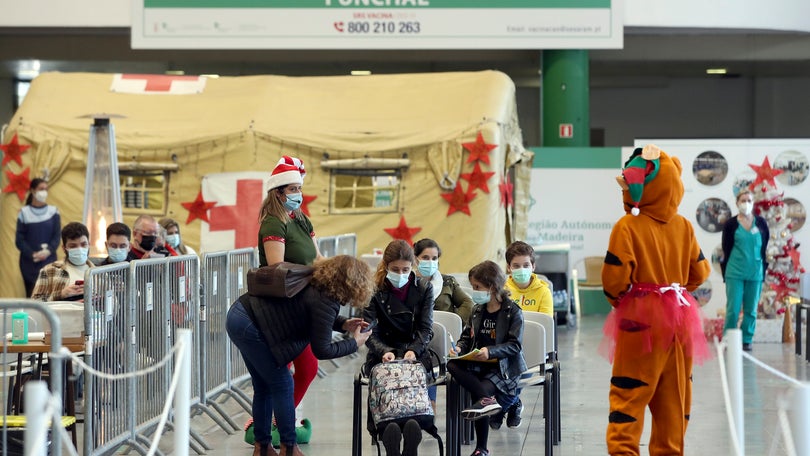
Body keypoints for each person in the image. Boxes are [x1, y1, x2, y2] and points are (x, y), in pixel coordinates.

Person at [601, 145, 711, 456]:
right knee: (674, 398)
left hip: (640, 319)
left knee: (629, 394)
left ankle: (624, 450)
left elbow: (614, 281)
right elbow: (700, 273)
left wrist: (629, 299)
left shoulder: (627, 226)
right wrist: (673, 287)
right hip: (679, 316)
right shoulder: (684, 225)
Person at [226, 255, 375, 456]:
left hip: (239, 315)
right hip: (250, 324)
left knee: (263, 386)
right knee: (283, 384)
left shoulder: (315, 283)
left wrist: (343, 324)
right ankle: (289, 448)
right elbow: (322, 350)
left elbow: (314, 313)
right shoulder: (326, 300)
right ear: (353, 284)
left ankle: (262, 448)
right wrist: (355, 343)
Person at [259, 156, 323, 443]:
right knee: (285, 371)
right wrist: (314, 271)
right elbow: (277, 268)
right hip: (280, 309)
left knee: (308, 368)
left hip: (303, 305)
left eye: (299, 188)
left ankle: (279, 415)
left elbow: (317, 256)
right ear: (279, 192)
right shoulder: (273, 222)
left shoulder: (301, 217)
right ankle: (273, 421)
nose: (298, 194)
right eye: (293, 189)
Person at [447, 260, 527, 456]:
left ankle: (481, 448)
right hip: (479, 364)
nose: (474, 291)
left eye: (477, 287)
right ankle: (487, 401)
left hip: (503, 368)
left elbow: (514, 345)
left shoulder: (512, 311)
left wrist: (491, 352)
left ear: (492, 286)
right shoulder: (477, 309)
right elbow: (467, 336)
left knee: (480, 393)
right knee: (451, 364)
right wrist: (459, 347)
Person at [363, 239, 434, 456]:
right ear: (385, 266)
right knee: (383, 377)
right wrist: (384, 351)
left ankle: (408, 428)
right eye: (395, 270)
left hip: (414, 350)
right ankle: (389, 431)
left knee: (414, 375)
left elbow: (425, 329)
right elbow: (367, 331)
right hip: (382, 351)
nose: (401, 274)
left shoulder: (424, 288)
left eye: (406, 269)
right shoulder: (373, 289)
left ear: (413, 266)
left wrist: (414, 350)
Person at [489, 240, 552, 429]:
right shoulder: (502, 291)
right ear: (508, 267)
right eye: (516, 266)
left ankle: (502, 407)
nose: (521, 269)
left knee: (516, 364)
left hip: (532, 350)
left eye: (526, 265)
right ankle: (513, 402)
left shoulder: (543, 292)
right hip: (505, 347)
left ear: (533, 266)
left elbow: (545, 324)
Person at [413, 238, 474, 414]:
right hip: (419, 337)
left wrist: (454, 323)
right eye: (425, 257)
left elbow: (467, 304)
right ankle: (427, 401)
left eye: (434, 258)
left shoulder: (448, 282)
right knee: (424, 356)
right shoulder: (410, 284)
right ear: (416, 258)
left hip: (445, 339)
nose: (430, 262)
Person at [720, 190, 769, 352]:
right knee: (733, 309)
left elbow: (764, 247)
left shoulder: (761, 223)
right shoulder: (731, 225)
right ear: (737, 203)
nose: (746, 203)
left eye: (749, 200)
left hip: (755, 273)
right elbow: (726, 248)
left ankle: (747, 339)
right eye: (743, 200)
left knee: (751, 309)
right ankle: (728, 338)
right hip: (735, 273)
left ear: (753, 203)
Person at [15, 178, 61, 297]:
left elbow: (57, 236)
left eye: (46, 189)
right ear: (32, 191)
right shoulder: (24, 213)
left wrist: (48, 251)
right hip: (29, 265)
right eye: (41, 189)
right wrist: (32, 254)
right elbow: (19, 240)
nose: (44, 192)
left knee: (50, 296)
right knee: (32, 296)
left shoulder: (53, 212)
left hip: (49, 261)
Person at [31, 222, 95, 301]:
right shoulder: (49, 270)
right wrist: (61, 294)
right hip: (60, 313)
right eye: (73, 246)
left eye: (83, 244)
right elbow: (35, 302)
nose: (79, 249)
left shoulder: (99, 273)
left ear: (89, 244)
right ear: (64, 248)